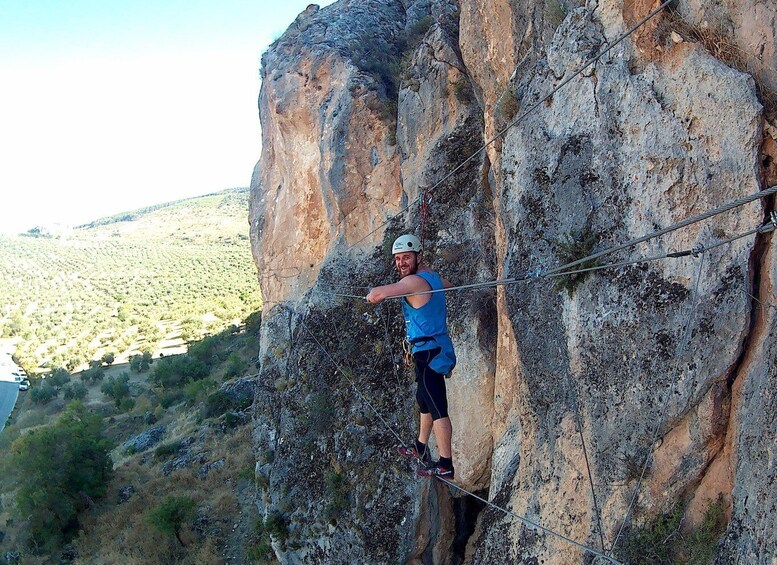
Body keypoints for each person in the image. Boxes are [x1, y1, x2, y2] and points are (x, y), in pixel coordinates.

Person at [366, 234, 457, 479]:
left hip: (430, 352)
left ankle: (446, 463)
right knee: (424, 400)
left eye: (406, 257)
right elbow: (446, 285)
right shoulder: (432, 278)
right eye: (397, 259)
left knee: (437, 406)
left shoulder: (414, 282)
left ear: (418, 256)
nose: (401, 263)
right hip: (429, 349)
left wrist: (371, 294)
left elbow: (379, 294)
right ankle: (420, 447)